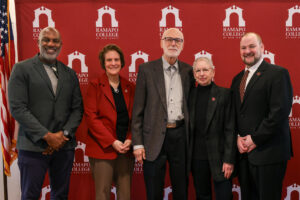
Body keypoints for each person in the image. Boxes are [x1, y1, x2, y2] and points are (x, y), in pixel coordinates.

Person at [8, 27, 83, 200]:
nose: (51, 44)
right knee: (30, 196)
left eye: (55, 41)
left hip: (64, 147)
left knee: (61, 195)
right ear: (38, 42)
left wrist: (62, 135)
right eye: (46, 39)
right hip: (32, 146)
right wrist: (46, 136)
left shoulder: (70, 73)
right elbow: (17, 108)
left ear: (61, 45)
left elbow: (77, 109)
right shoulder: (21, 69)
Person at [231, 32, 293, 200]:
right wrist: (237, 137)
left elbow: (279, 112)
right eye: (243, 48)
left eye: (252, 46)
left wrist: (255, 139)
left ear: (262, 48)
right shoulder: (237, 79)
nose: (247, 51)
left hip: (269, 153)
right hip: (244, 155)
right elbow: (235, 114)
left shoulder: (278, 74)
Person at [131, 28, 192, 200]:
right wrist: (137, 144)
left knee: (181, 189)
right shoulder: (146, 70)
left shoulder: (189, 71)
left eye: (178, 40)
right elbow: (138, 109)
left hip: (180, 136)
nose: (173, 43)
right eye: (169, 39)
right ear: (161, 42)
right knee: (153, 190)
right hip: (153, 138)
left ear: (183, 44)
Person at [84, 44, 135, 200]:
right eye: (109, 60)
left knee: (125, 194)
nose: (113, 63)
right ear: (103, 63)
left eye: (116, 59)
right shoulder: (94, 86)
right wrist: (112, 142)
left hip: (125, 149)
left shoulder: (130, 86)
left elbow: (136, 118)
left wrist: (130, 139)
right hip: (102, 148)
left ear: (122, 62)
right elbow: (92, 119)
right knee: (102, 193)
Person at [189, 57, 236, 200]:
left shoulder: (225, 94)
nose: (202, 73)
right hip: (197, 157)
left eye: (205, 70)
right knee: (202, 196)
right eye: (198, 70)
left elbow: (230, 129)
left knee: (224, 196)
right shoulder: (189, 96)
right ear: (194, 74)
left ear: (213, 72)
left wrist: (229, 160)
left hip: (221, 158)